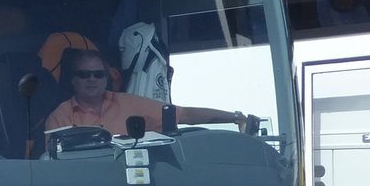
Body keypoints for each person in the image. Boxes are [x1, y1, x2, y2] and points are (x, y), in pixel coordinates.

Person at [45, 49, 247, 137]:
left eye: (98, 74)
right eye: (84, 74)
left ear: (107, 79)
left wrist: (234, 117)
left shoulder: (131, 104)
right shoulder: (59, 117)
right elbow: (54, 168)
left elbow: (184, 114)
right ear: (73, 80)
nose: (91, 79)